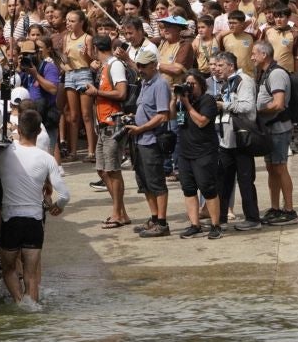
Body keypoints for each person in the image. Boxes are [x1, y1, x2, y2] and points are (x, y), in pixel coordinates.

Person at [0, 108, 70, 310]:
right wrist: (57, 207)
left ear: (18, 129)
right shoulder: (46, 158)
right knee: (31, 273)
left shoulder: (4, 151)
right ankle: (32, 307)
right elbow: (65, 194)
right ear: (39, 132)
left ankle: (20, 302)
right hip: (34, 221)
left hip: (11, 219)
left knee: (9, 268)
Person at [209, 50, 263, 231]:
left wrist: (223, 105)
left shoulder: (244, 81)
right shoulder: (227, 83)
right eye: (215, 66)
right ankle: (221, 218)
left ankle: (253, 218)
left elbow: (248, 106)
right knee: (223, 180)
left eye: (221, 66)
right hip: (226, 139)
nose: (217, 69)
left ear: (231, 66)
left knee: (245, 180)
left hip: (241, 138)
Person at [82, 34, 130, 229]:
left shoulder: (115, 65)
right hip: (102, 124)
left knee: (113, 170)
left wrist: (96, 93)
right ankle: (121, 212)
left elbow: (121, 93)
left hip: (113, 124)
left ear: (95, 48)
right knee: (102, 170)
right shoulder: (103, 66)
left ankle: (117, 213)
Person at [124, 44, 172, 237]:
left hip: (151, 140)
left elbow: (162, 115)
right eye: (139, 66)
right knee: (144, 182)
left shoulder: (160, 84)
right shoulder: (144, 83)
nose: (141, 70)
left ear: (154, 65)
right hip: (140, 140)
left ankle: (162, 222)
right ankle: (153, 218)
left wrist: (141, 128)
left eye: (144, 66)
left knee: (156, 182)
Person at [251, 39, 298, 226]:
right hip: (269, 129)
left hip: (278, 128)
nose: (252, 57)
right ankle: (275, 207)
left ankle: (289, 210)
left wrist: (259, 110)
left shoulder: (276, 74)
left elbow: (278, 103)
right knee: (271, 169)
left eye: (254, 53)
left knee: (280, 167)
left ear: (264, 54)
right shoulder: (264, 73)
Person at [172, 70, 224, 239]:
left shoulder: (207, 100)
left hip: (204, 152)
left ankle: (216, 225)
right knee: (188, 189)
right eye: (187, 83)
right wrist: (175, 99)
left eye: (192, 84)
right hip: (185, 152)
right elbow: (173, 118)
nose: (189, 87)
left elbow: (202, 122)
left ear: (201, 85)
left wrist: (187, 105)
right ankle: (195, 225)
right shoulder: (182, 102)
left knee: (208, 188)